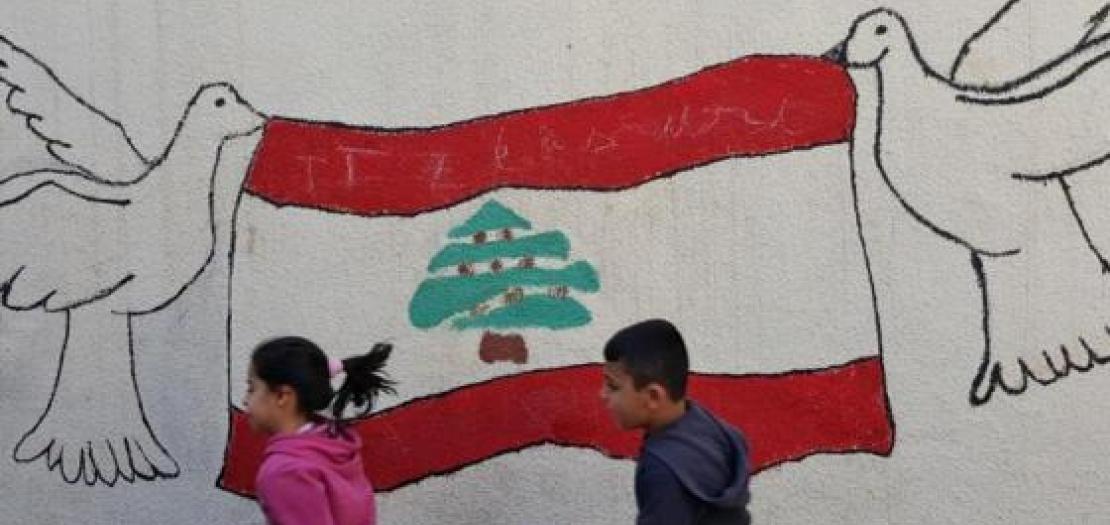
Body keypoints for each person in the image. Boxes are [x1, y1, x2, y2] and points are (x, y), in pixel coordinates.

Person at [601, 319, 751, 525]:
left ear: (653, 396)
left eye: (612, 386)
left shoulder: (662, 471)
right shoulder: (711, 427)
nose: (603, 394)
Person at [243, 336, 396, 525]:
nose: (245, 400)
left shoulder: (285, 472)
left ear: (282, 396)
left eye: (251, 388)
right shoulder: (334, 446)